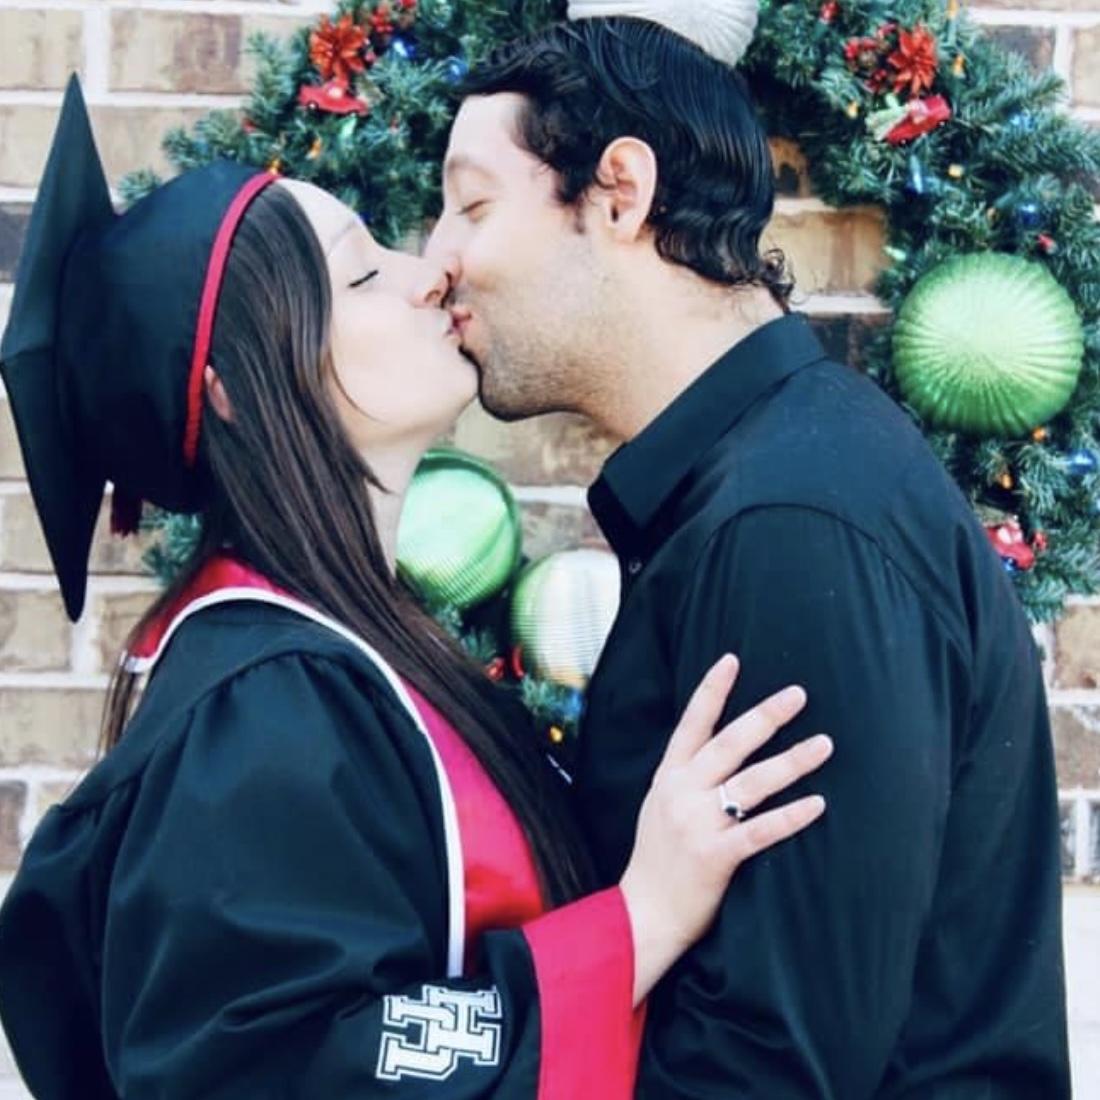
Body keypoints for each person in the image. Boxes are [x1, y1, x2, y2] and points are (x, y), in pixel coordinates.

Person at [0, 76, 833, 1099]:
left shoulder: (343, 648)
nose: (429, 273)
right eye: (361, 274)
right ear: (234, 387)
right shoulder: (256, 701)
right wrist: (642, 917)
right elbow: (275, 1071)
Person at [426, 12, 1072, 1098]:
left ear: (619, 192)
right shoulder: (765, 481)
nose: (439, 256)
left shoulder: (790, 523)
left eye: (473, 205)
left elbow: (772, 1062)